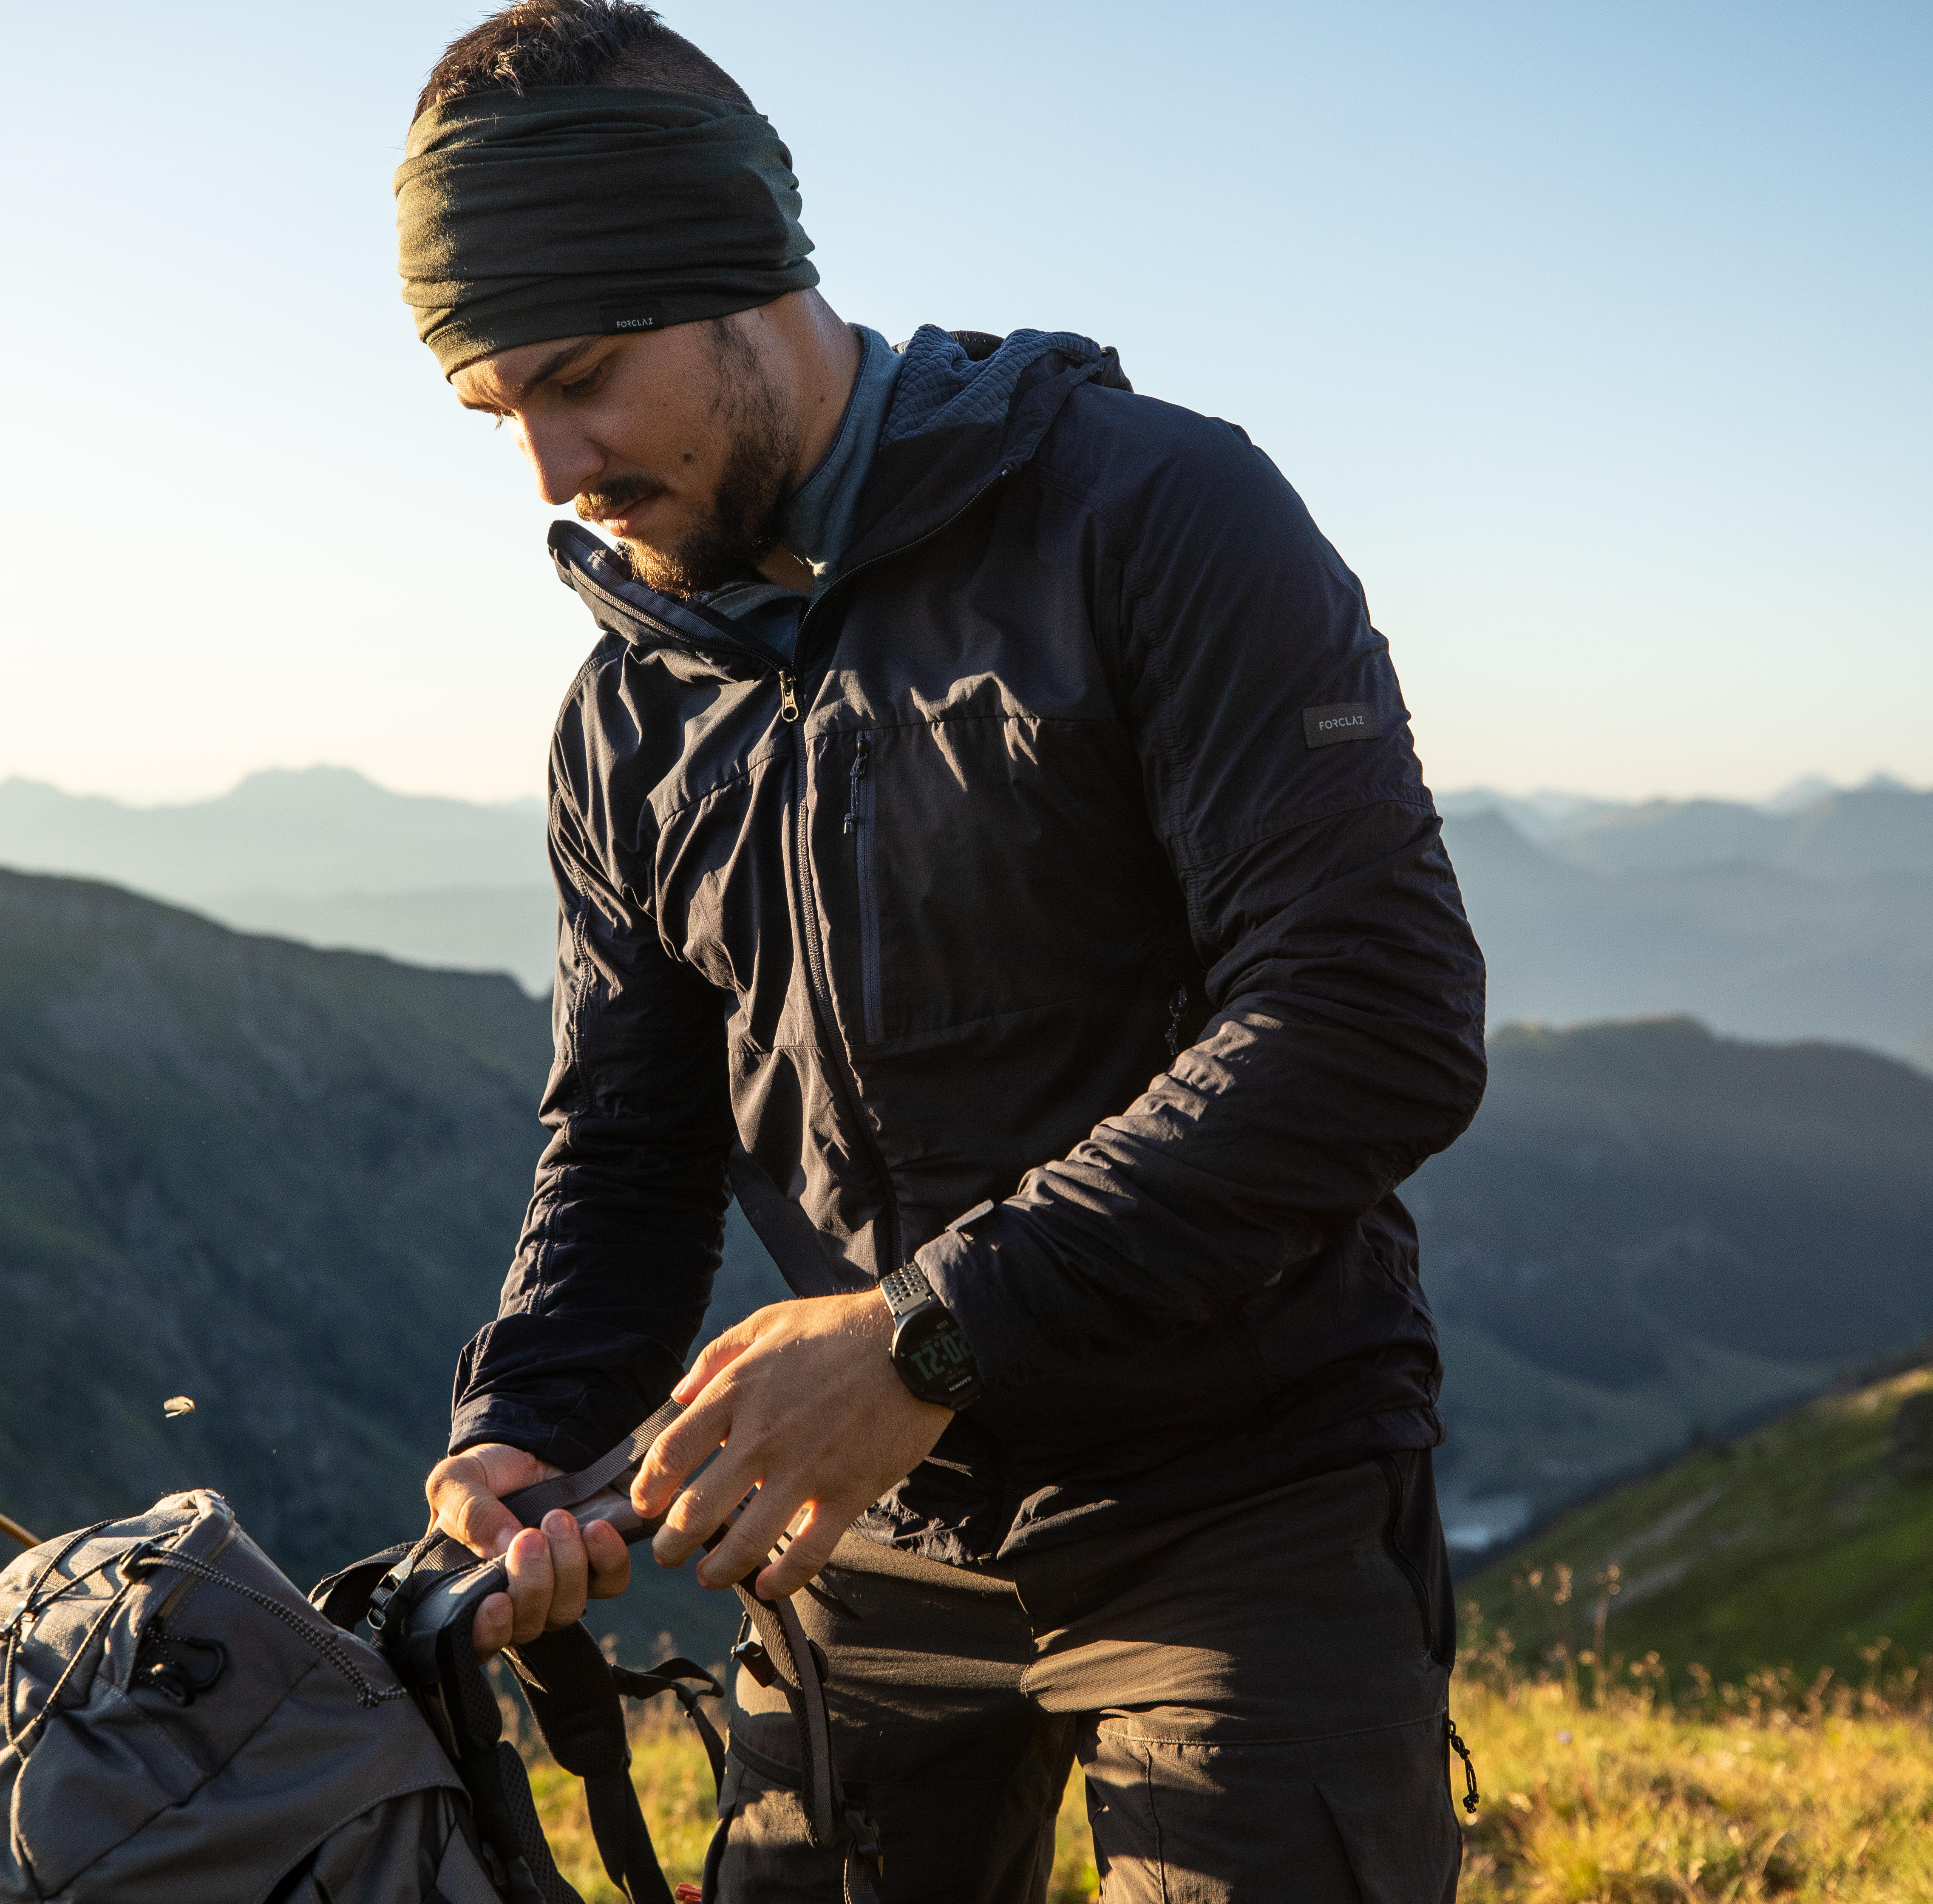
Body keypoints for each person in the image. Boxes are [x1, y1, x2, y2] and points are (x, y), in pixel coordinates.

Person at [395, 4, 1489, 1897]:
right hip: (862, 1521)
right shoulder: (626, 717)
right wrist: (527, 1432)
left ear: (744, 279)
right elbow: (633, 1147)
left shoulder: (1155, 518)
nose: (554, 470)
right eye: (501, 412)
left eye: (583, 376)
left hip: (1241, 1488)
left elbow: (1369, 1014)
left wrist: (929, 1326)